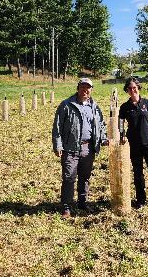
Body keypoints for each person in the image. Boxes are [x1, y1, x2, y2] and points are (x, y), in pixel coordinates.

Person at [52, 78, 108, 218]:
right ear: (78, 88)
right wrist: (57, 144)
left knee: (85, 176)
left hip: (88, 148)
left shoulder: (94, 107)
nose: (85, 90)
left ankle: (82, 202)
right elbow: (57, 127)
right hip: (70, 148)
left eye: (88, 88)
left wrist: (103, 139)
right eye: (83, 87)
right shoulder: (66, 105)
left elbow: (101, 125)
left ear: (91, 90)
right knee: (69, 177)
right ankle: (66, 207)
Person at [119, 77, 148, 209]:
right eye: (130, 88)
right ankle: (141, 199)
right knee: (138, 173)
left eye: (134, 87)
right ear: (127, 91)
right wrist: (122, 135)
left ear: (138, 88)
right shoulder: (124, 107)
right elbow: (121, 124)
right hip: (133, 144)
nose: (132, 90)